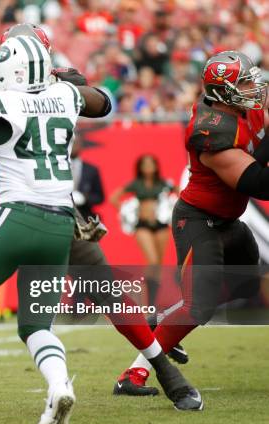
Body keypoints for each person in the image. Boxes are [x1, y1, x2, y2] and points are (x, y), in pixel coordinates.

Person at [0, 22, 199, 415]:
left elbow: (99, 102)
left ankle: (164, 371)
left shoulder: (39, 88)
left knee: (107, 292)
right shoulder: (10, 90)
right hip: (12, 211)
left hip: (45, 211)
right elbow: (100, 102)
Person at [113, 50, 268, 396]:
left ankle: (163, 318)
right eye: (243, 81)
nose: (253, 87)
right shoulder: (211, 132)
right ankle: (132, 376)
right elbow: (259, 183)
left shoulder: (249, 106)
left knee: (245, 286)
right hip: (199, 221)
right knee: (199, 306)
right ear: (224, 90)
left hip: (230, 220)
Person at [109, 154, 176, 309]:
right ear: (140, 167)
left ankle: (151, 305)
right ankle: (144, 303)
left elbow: (180, 193)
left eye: (151, 163)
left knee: (158, 265)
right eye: (145, 164)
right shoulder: (136, 184)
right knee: (151, 261)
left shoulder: (164, 183)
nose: (148, 167)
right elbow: (114, 198)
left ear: (156, 166)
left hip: (161, 225)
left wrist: (170, 208)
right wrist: (127, 212)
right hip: (142, 225)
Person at [70, 137, 105, 221]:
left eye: (76, 143)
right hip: (62, 215)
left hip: (84, 215)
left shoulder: (91, 170)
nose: (73, 146)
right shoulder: (57, 167)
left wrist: (84, 198)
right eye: (70, 143)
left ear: (81, 145)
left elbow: (99, 197)